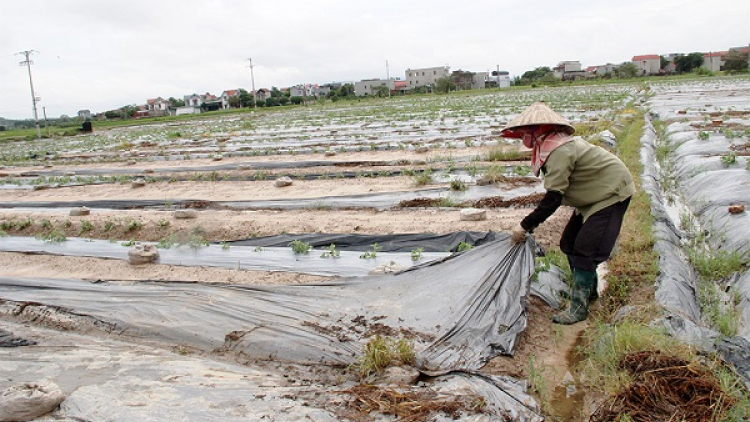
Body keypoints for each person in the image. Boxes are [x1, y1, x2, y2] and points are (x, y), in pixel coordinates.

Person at [502, 102, 635, 324]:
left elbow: (553, 198)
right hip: (591, 197)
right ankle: (587, 293)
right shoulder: (550, 146)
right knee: (569, 243)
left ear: (538, 131)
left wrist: (525, 225)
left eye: (525, 132)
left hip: (610, 193)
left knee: (586, 248)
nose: (522, 137)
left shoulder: (559, 151)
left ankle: (578, 308)